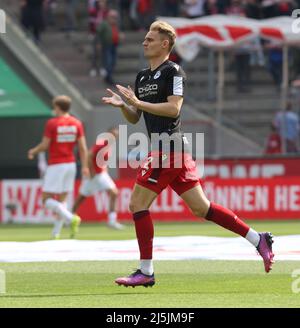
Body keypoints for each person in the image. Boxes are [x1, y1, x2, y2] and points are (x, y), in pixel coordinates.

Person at [102, 21, 275, 288]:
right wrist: (125, 105)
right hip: (168, 149)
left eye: (150, 39)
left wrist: (137, 102)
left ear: (165, 44)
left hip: (168, 147)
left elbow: (173, 109)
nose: (144, 42)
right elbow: (136, 117)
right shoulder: (142, 76)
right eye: (145, 38)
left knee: (137, 204)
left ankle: (146, 271)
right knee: (201, 208)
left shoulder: (174, 72)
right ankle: (258, 239)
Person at [28, 95, 89, 239]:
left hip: (56, 164)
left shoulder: (52, 123)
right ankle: (56, 233)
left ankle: (70, 218)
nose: (53, 109)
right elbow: (83, 147)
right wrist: (85, 166)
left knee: (46, 199)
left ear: (58, 107)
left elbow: (44, 145)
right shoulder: (77, 123)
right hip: (71, 165)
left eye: (54, 106)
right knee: (62, 201)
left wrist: (33, 151)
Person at [72, 127, 124, 230]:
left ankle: (112, 221)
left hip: (101, 174)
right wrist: (91, 171)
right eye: (113, 135)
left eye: (116, 136)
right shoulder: (101, 144)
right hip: (94, 175)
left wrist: (105, 170)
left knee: (114, 193)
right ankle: (69, 217)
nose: (114, 137)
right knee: (81, 198)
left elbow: (102, 161)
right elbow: (89, 155)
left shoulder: (109, 146)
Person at [96, 9, 123, 85]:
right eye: (112, 17)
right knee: (109, 61)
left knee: (113, 61)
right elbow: (98, 33)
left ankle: (108, 77)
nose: (114, 19)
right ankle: (109, 77)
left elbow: (117, 33)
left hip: (114, 45)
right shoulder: (104, 24)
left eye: (115, 17)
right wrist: (99, 43)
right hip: (107, 45)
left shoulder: (116, 25)